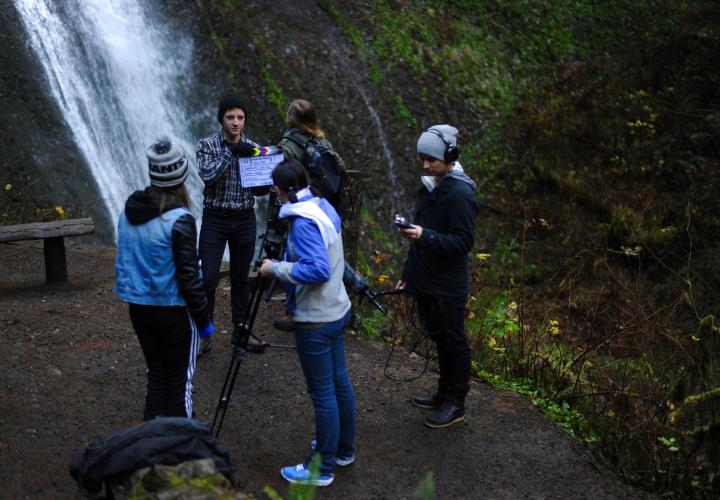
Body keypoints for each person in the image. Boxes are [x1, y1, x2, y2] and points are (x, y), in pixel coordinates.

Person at [259, 159, 355, 487]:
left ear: (285, 190)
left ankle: (322, 468)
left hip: (316, 318)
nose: (273, 193)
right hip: (337, 309)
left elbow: (317, 270)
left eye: (275, 188)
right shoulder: (323, 205)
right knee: (339, 383)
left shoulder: (302, 222)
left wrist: (276, 268)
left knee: (324, 392)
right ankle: (342, 450)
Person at [115, 136, 214, 420]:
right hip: (172, 311)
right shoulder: (180, 219)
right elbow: (189, 276)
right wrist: (204, 321)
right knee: (180, 380)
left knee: (157, 373)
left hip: (139, 308)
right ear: (181, 175)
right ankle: (179, 444)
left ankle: (153, 439)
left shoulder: (126, 213)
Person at [395, 124, 478, 429]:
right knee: (440, 339)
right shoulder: (433, 185)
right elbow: (422, 234)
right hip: (428, 279)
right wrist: (408, 274)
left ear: (450, 155)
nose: (425, 164)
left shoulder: (460, 193)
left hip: (448, 284)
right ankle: (444, 393)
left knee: (454, 341)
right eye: (422, 158)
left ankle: (457, 402)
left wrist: (424, 236)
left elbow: (462, 242)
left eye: (431, 158)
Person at [196, 94, 266, 354]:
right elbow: (208, 176)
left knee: (241, 280)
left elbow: (260, 189)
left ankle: (241, 330)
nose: (235, 122)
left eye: (240, 117)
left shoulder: (253, 147)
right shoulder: (207, 145)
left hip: (244, 219)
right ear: (221, 119)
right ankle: (204, 333)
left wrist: (264, 176)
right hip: (215, 219)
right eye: (230, 117)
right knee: (208, 278)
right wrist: (231, 154)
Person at [279, 99, 346, 209]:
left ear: (290, 118)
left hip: (300, 205)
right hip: (325, 203)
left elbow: (282, 177)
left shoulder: (286, 146)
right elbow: (341, 167)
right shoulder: (323, 142)